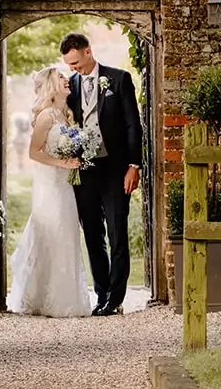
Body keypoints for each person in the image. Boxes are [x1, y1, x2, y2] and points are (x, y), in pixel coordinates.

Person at [63, 31, 143, 316]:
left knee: (118, 231)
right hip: (84, 172)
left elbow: (133, 124)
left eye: (76, 62)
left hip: (115, 168)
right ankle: (101, 295)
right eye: (69, 65)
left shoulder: (118, 79)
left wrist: (134, 165)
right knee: (93, 234)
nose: (74, 69)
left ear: (88, 51)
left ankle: (116, 297)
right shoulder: (68, 86)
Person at [6, 65, 92, 317]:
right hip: (50, 181)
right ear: (51, 86)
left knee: (66, 232)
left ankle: (67, 298)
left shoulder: (66, 114)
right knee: (51, 231)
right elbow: (34, 152)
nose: (67, 81)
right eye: (62, 78)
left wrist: (75, 159)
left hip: (65, 182)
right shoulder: (46, 116)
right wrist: (62, 162)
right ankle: (41, 296)